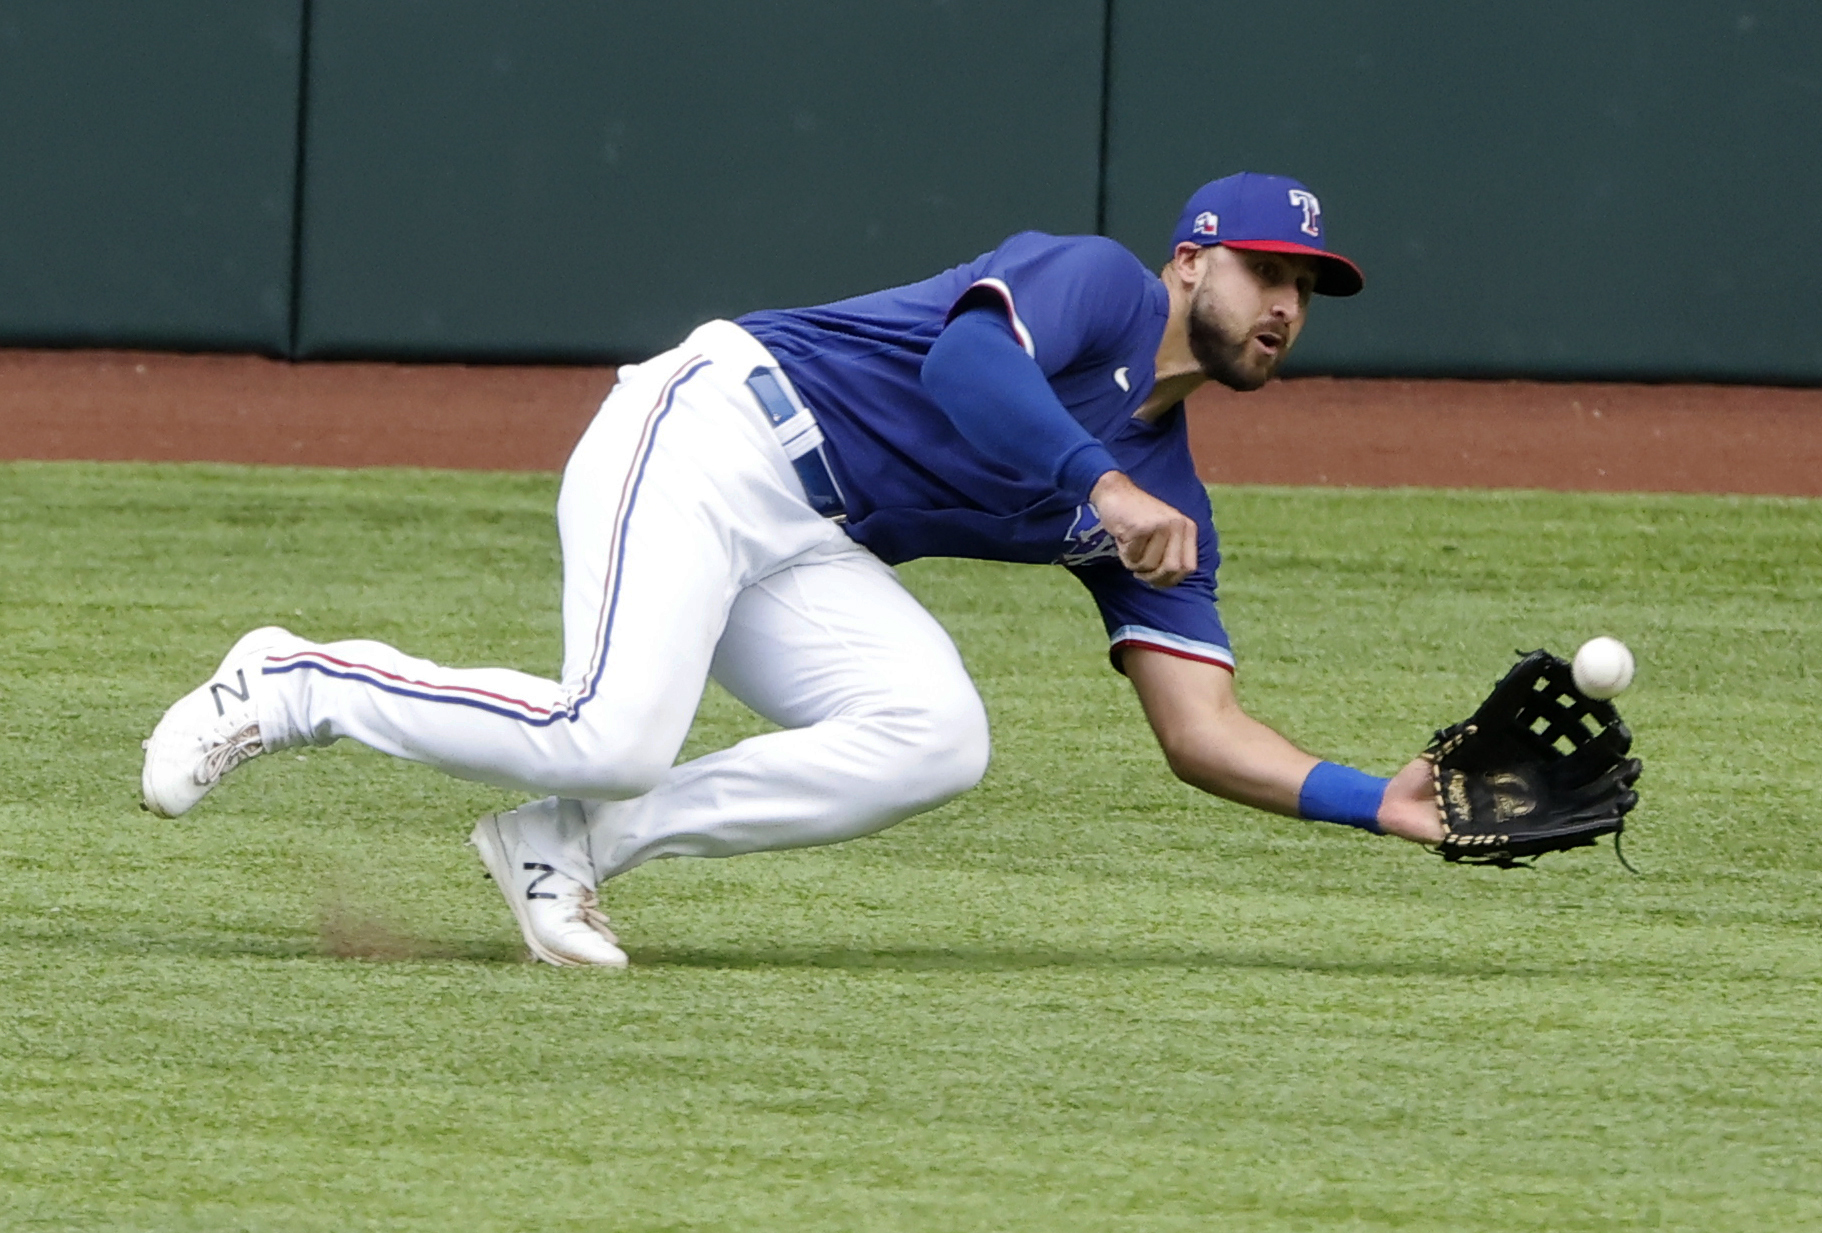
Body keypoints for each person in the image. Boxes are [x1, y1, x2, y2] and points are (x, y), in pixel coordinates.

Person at [142, 172, 1443, 969]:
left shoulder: (1173, 503)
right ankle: (295, 677)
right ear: (1191, 261)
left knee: (936, 735)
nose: (1282, 304)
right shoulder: (1100, 287)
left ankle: (565, 847)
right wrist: (1091, 482)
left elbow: (1199, 730)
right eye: (1266, 269)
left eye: (1306, 289)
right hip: (713, 428)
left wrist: (1366, 799)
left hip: (803, 541)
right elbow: (964, 366)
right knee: (610, 728)